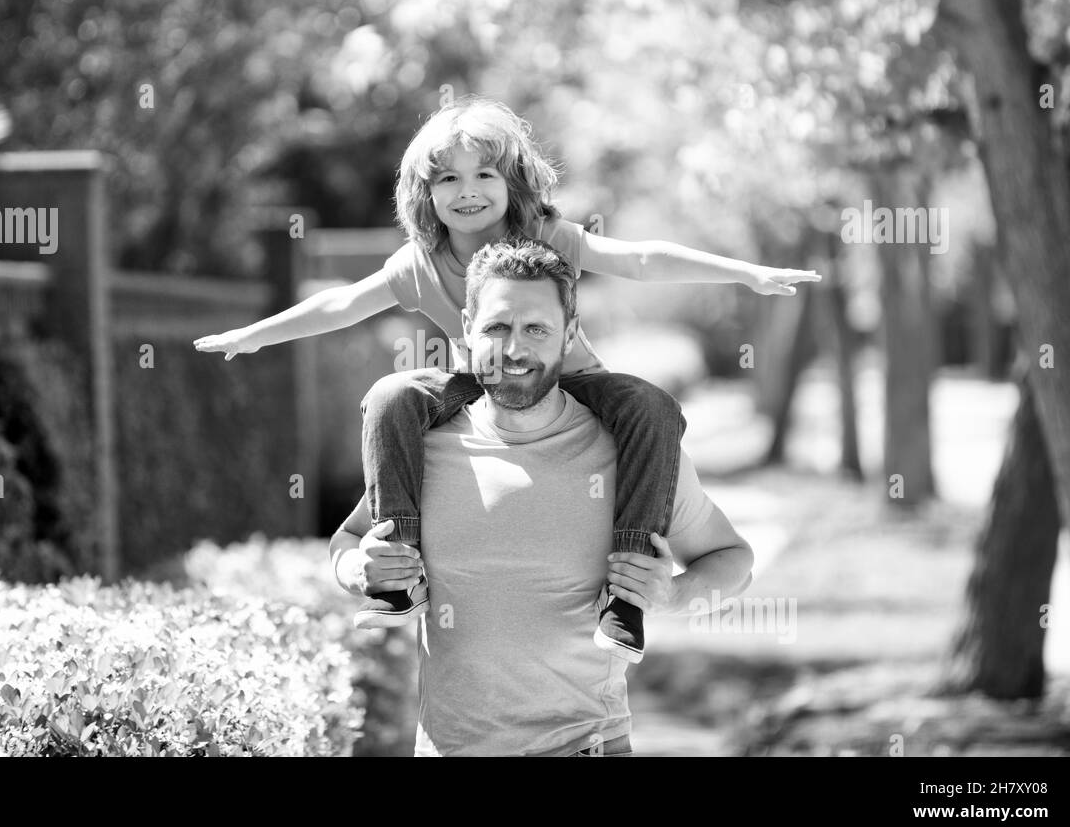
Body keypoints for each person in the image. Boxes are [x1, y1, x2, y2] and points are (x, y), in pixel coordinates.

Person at [194, 95, 811, 662]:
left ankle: (625, 599)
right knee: (393, 396)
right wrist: (253, 335)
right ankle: (399, 578)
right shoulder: (421, 263)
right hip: (483, 385)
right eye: (449, 178)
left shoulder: (545, 236)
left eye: (484, 174)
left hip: (577, 381)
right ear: (424, 193)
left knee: (648, 404)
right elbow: (341, 305)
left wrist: (745, 273)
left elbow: (642, 258)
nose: (468, 192)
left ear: (511, 182)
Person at [329, 238, 753, 755]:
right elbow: (349, 541)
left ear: (569, 334)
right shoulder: (422, 445)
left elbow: (734, 561)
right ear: (467, 327)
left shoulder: (633, 453)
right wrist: (356, 569)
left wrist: (673, 595)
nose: (514, 349)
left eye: (536, 329)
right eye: (497, 327)